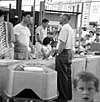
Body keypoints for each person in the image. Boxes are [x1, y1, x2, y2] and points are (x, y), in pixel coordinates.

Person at [55, 14, 75, 102]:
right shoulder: (70, 29)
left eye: (61, 17)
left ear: (65, 19)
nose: (59, 19)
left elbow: (62, 43)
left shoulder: (64, 28)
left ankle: (63, 97)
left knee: (62, 76)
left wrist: (57, 53)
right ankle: (68, 95)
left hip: (63, 53)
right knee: (67, 75)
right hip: (69, 52)